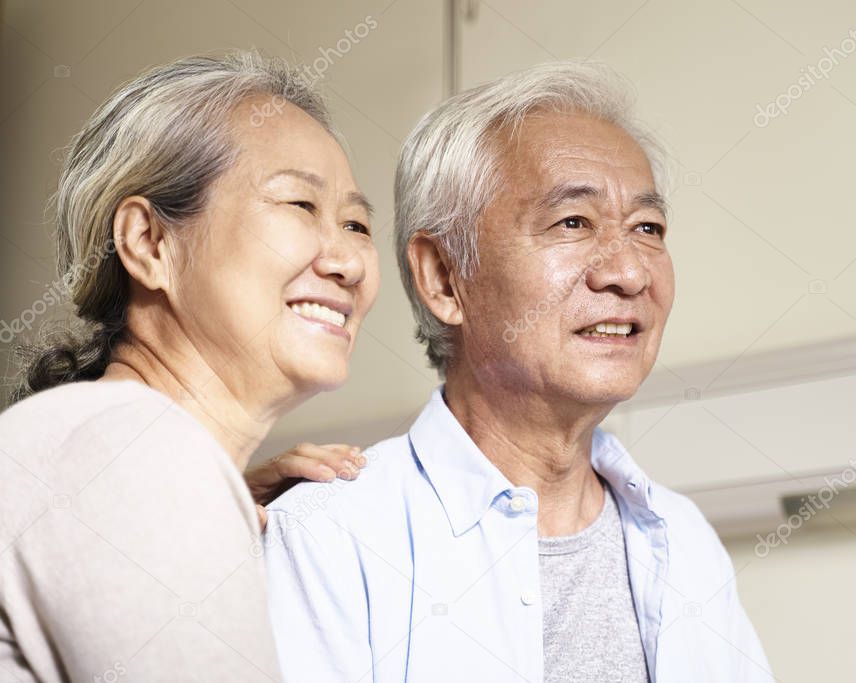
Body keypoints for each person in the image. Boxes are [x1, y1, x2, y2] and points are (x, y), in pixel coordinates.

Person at [263, 62, 773, 682]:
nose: (630, 273)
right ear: (443, 278)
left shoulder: (683, 539)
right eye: (573, 223)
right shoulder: (329, 535)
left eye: (648, 228)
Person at [0, 52, 376, 682]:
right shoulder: (132, 452)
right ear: (150, 243)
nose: (349, 262)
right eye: (299, 206)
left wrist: (211, 502)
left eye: (357, 224)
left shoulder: (123, 451)